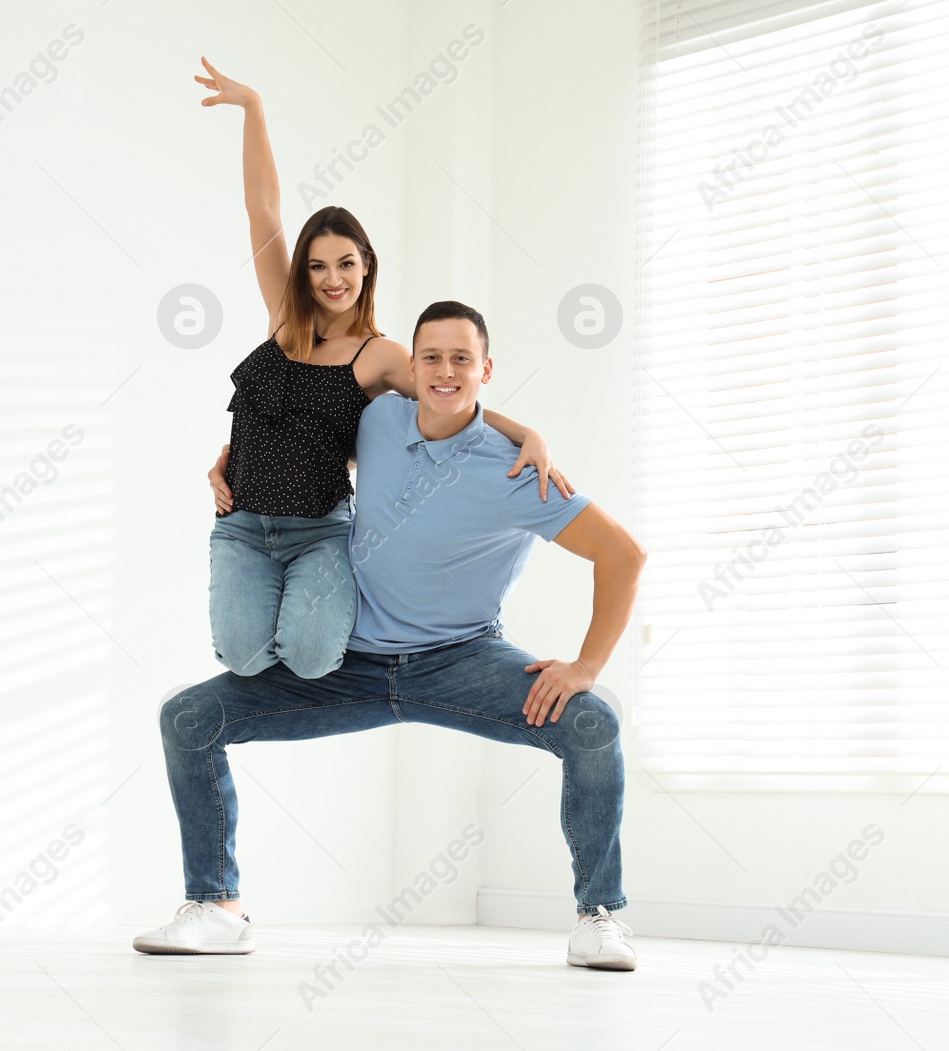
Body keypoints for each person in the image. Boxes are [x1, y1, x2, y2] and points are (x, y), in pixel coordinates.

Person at [136, 300, 647, 971]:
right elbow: (300, 443)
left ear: (486, 369)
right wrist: (230, 462)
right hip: (348, 660)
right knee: (189, 715)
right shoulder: (378, 419)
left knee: (592, 721)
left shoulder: (519, 472)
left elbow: (623, 555)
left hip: (460, 660)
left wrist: (584, 666)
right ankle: (216, 907)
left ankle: (599, 916)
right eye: (430, 357)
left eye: (461, 358)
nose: (444, 370)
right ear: (411, 365)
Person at [194, 57, 570, 682]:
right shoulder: (285, 320)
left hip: (319, 531)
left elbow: (446, 394)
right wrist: (254, 108)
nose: (332, 279)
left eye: (345, 263)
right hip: (242, 527)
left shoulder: (381, 355)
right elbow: (263, 209)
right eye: (317, 266)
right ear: (303, 274)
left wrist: (527, 433)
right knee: (244, 658)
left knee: (313, 661)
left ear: (366, 265)